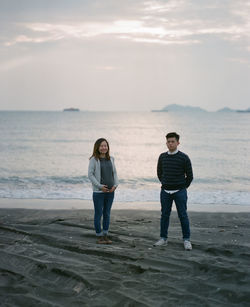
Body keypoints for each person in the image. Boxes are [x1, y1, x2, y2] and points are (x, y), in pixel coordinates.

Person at [154, 132, 193, 250]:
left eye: (173, 142)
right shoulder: (162, 156)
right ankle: (163, 238)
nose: (170, 144)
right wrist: (165, 183)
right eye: (168, 142)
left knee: (183, 215)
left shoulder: (184, 157)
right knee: (165, 215)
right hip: (165, 191)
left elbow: (190, 176)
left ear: (178, 143)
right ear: (166, 143)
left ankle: (186, 240)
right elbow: (159, 173)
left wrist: (182, 187)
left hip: (180, 191)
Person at [88, 138, 118, 244]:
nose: (104, 147)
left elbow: (114, 173)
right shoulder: (93, 160)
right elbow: (90, 175)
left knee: (107, 213)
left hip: (110, 192)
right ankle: (99, 236)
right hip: (99, 192)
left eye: (105, 145)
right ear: (97, 147)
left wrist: (115, 185)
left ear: (108, 147)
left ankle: (105, 235)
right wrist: (100, 186)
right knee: (98, 213)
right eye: (101, 146)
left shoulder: (112, 159)